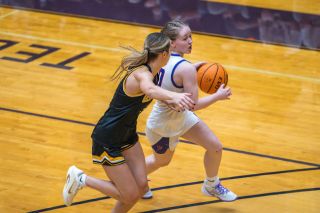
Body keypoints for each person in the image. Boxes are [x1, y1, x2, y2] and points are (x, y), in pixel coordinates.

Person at [62, 32, 195, 213]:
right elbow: (150, 89)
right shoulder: (142, 75)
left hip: (127, 135)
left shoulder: (155, 72)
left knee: (141, 187)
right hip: (107, 138)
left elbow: (157, 90)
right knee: (130, 195)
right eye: (170, 52)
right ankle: (81, 179)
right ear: (163, 55)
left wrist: (182, 86)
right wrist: (174, 96)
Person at [143, 20, 237, 201]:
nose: (190, 41)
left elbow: (170, 81)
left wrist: (190, 71)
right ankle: (131, 178)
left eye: (190, 36)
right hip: (163, 126)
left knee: (215, 147)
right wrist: (218, 96)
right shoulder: (185, 68)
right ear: (172, 43)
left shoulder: (160, 59)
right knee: (161, 161)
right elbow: (194, 105)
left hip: (179, 118)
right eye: (185, 38)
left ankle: (211, 184)